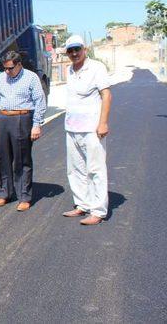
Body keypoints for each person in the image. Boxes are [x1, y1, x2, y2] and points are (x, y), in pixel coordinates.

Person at [62, 35, 112, 225]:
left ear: (85, 49)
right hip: (72, 128)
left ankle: (98, 211)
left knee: (95, 169)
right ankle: (82, 204)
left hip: (92, 129)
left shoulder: (97, 67)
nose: (74, 53)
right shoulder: (69, 70)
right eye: (70, 51)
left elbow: (106, 95)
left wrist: (103, 123)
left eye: (77, 49)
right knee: (75, 169)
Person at [0, 51, 46, 211]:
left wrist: (36, 124)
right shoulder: (1, 78)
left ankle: (24, 196)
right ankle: (4, 193)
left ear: (19, 64)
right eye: (5, 68)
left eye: (10, 68)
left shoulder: (31, 78)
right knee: (2, 158)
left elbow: (40, 101)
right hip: (3, 119)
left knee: (22, 159)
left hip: (22, 119)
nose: (7, 71)